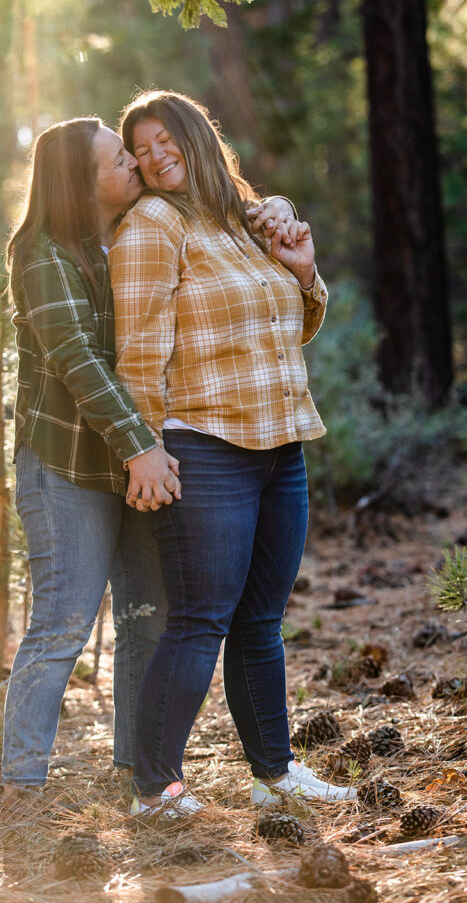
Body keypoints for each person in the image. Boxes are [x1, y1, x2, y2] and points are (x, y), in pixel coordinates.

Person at [2, 116, 299, 795]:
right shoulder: (43, 254)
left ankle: (137, 774)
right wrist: (141, 445)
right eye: (119, 162)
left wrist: (273, 209)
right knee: (62, 625)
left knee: (148, 620)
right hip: (70, 467)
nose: (135, 167)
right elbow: (77, 358)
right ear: (81, 187)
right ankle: (19, 787)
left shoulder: (134, 233)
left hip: (136, 465)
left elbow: (225, 210)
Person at [109, 90, 356, 815]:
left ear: (194, 136)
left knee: (260, 622)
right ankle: (154, 789)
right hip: (205, 445)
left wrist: (303, 271)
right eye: (140, 150)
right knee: (199, 620)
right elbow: (138, 354)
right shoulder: (153, 225)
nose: (154, 158)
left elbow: (290, 329)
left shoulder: (241, 220)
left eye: (163, 140)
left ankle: (274, 777)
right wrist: (143, 447)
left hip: (281, 445)